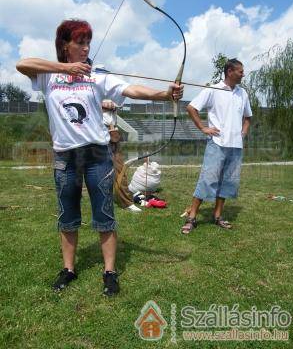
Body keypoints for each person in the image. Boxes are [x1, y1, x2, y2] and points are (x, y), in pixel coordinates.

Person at [16, 19, 183, 296]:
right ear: (65, 45)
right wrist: (65, 68)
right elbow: (22, 63)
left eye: (87, 43)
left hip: (96, 154)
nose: (85, 48)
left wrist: (164, 94)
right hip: (65, 156)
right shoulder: (48, 75)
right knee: (67, 213)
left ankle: (109, 272)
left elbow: (131, 90)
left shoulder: (97, 75)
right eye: (79, 42)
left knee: (104, 213)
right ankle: (69, 269)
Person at [181, 58, 252, 234]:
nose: (243, 74)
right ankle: (192, 217)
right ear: (230, 71)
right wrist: (203, 128)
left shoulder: (242, 93)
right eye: (240, 71)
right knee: (208, 179)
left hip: (235, 146)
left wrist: (243, 133)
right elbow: (191, 108)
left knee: (227, 182)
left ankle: (217, 216)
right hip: (217, 143)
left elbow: (248, 117)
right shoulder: (213, 89)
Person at [101, 99, 141, 213]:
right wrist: (100, 105)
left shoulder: (111, 88)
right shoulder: (87, 89)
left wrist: (112, 105)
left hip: (112, 135)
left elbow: (119, 103)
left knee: (120, 170)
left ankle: (126, 202)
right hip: (95, 137)